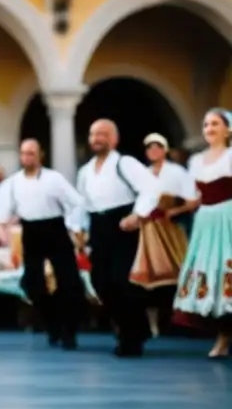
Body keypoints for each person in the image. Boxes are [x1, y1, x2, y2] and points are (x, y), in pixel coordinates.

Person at [76, 119, 161, 357]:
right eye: (93, 134)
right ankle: (136, 327)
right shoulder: (85, 171)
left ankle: (130, 338)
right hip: (98, 225)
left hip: (122, 223)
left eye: (103, 134)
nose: (97, 138)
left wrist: (138, 215)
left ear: (114, 139)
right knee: (99, 281)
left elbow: (151, 187)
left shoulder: (125, 163)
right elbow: (82, 203)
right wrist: (78, 229)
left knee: (121, 281)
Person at [0, 139, 86, 349]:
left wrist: (73, 226)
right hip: (31, 232)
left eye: (31, 153)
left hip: (55, 229)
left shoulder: (54, 179)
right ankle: (53, 323)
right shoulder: (13, 183)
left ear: (40, 155)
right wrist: (2, 232)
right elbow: (3, 213)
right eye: (24, 153)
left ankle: (69, 331)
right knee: (32, 283)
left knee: (68, 281)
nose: (27, 157)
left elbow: (76, 202)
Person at [172, 108, 231, 358]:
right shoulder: (196, 161)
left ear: (228, 129)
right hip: (205, 220)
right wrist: (170, 211)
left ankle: (224, 339)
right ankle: (222, 338)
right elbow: (194, 198)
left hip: (229, 217)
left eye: (215, 124)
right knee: (212, 274)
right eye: (206, 124)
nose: (209, 128)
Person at [133, 133, 196, 337]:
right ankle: (154, 323)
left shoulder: (177, 172)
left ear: (165, 150)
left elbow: (192, 200)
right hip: (149, 229)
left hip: (171, 228)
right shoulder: (144, 174)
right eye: (150, 148)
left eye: (157, 147)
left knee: (178, 271)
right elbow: (141, 203)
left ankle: (182, 321)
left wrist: (173, 212)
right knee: (149, 277)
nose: (154, 151)